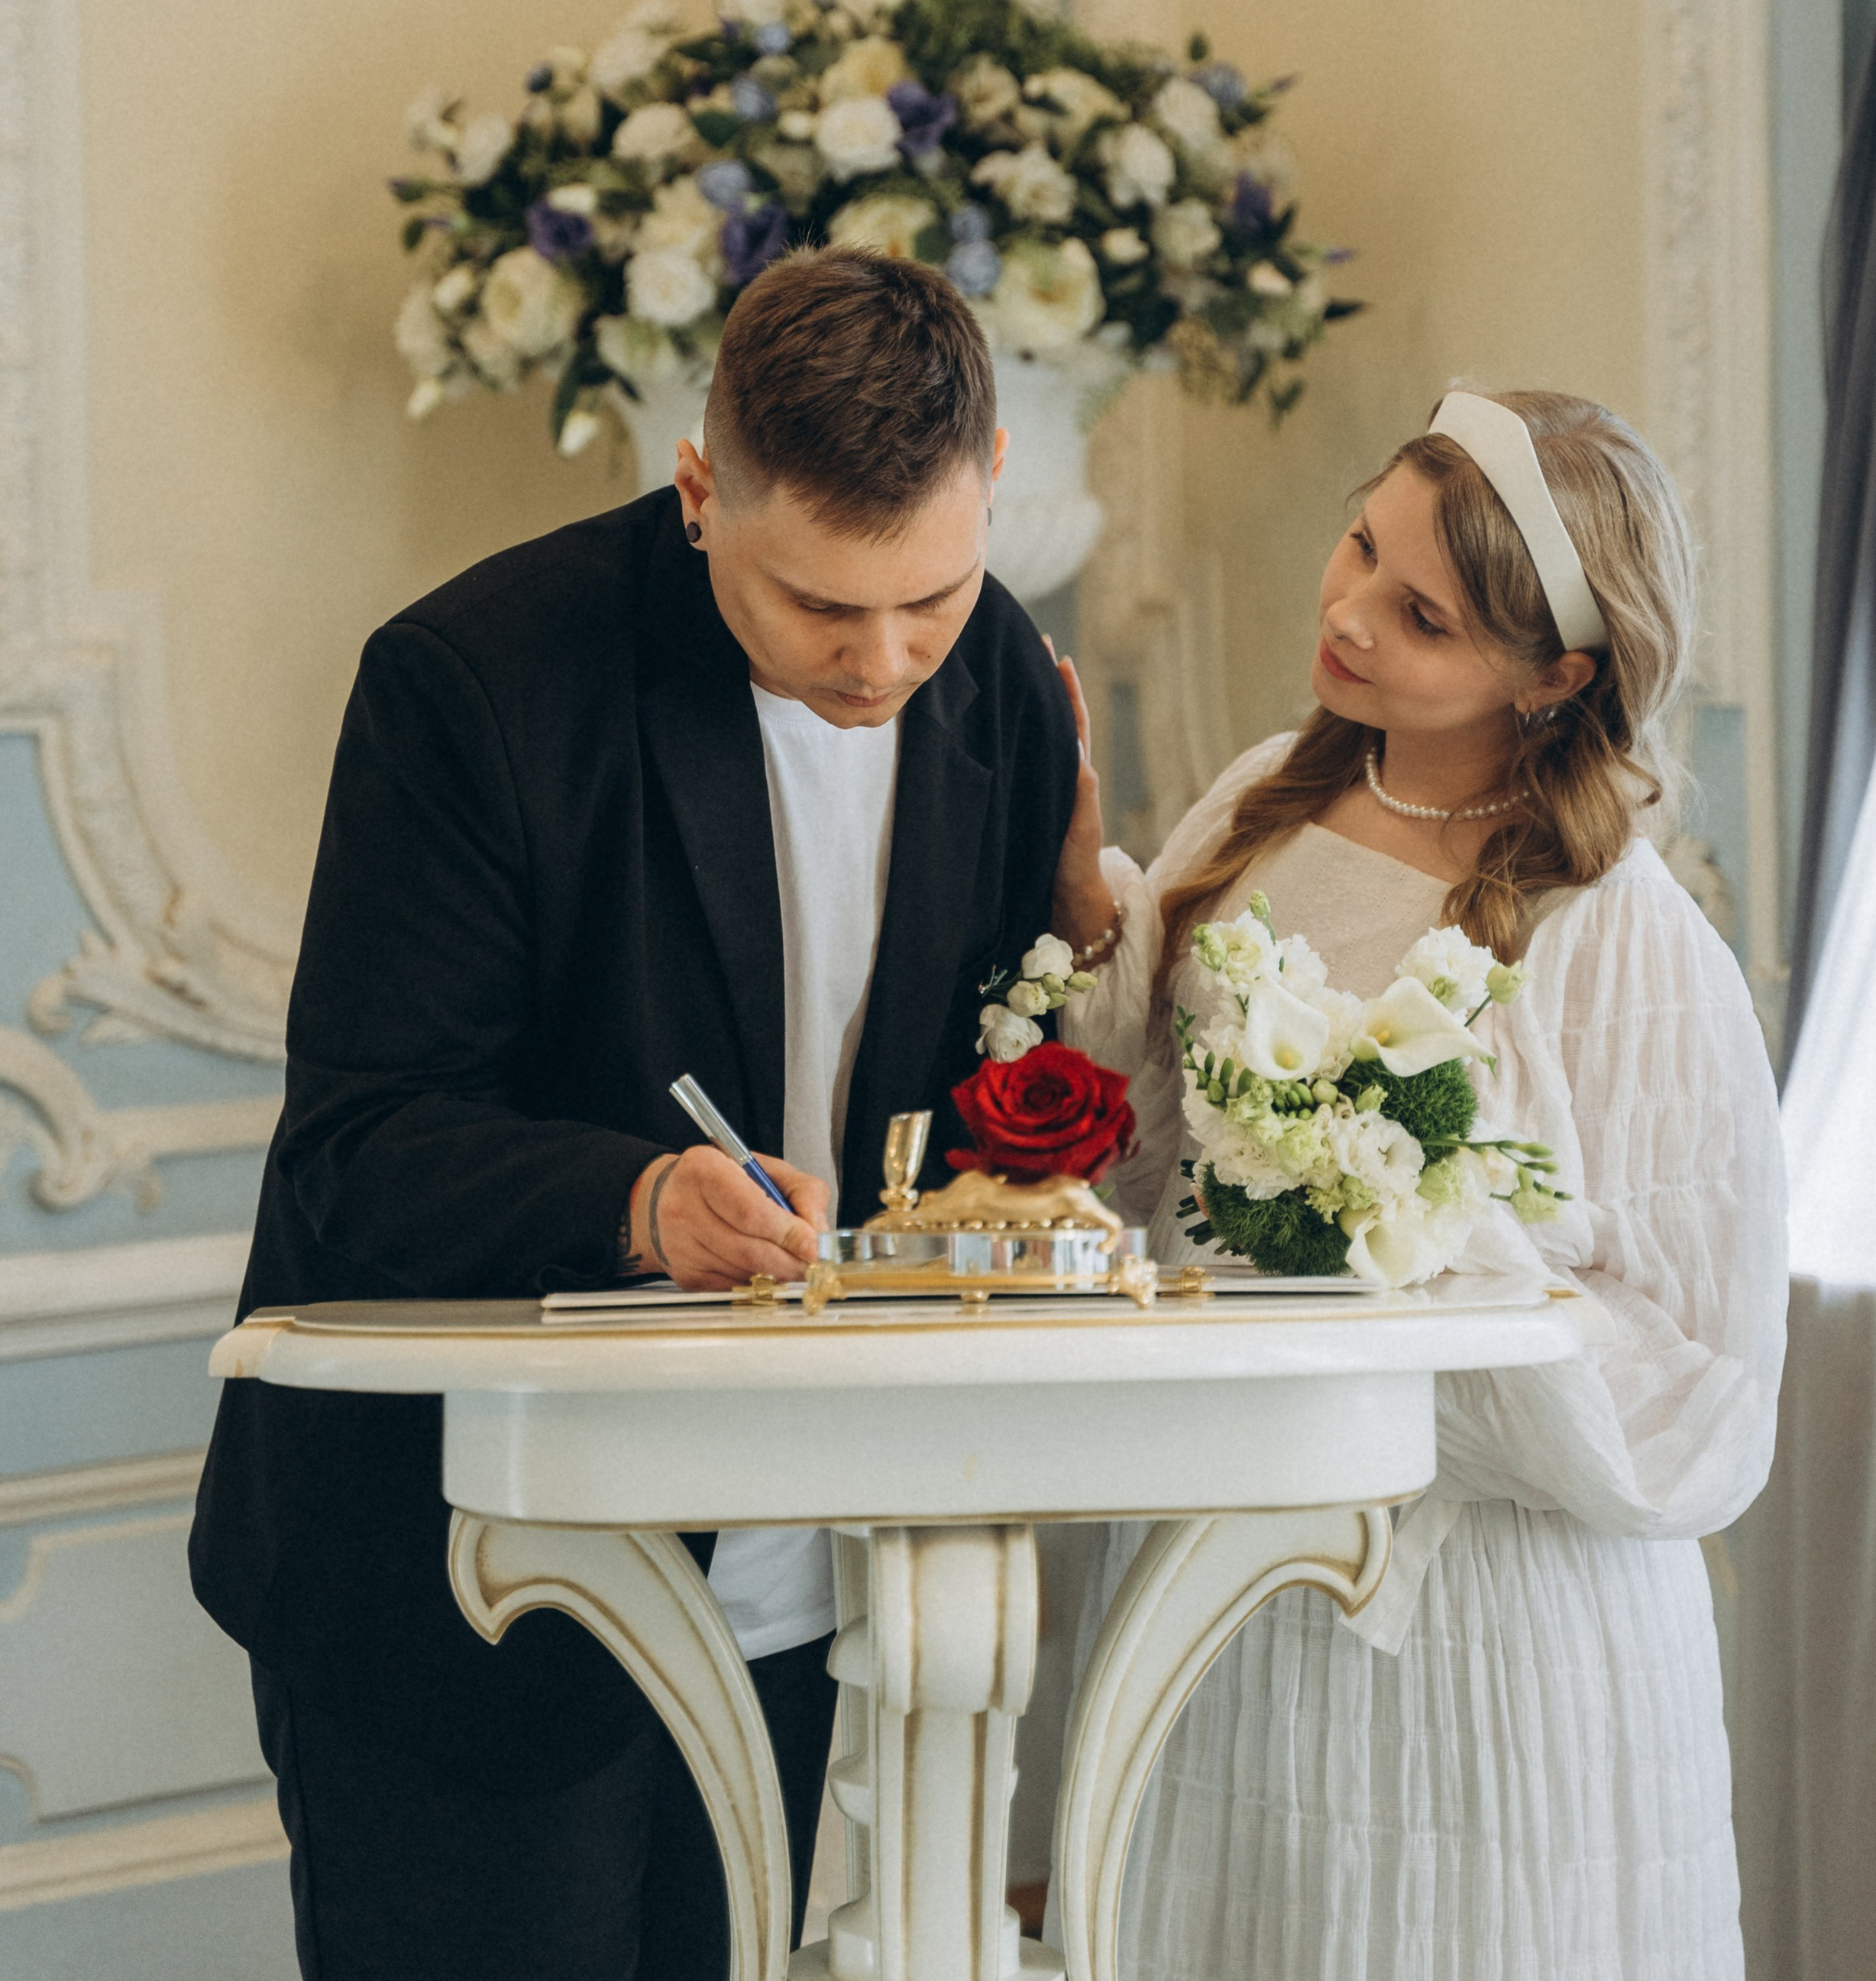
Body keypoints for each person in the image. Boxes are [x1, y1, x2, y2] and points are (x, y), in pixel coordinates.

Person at [190, 248, 1079, 1981]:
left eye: (933, 595)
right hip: (468, 1594)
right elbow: (357, 1147)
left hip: (800, 1574)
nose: (885, 659)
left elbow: (971, 1087)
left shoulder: (1001, 691)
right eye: (821, 608)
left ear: (988, 493)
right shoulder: (473, 685)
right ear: (696, 491)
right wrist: (639, 1203)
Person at [1046, 388, 1788, 1981]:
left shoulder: (1615, 928)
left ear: (1553, 678)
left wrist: (1407, 1285)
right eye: (1360, 542)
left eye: (1420, 615)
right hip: (1227, 1584)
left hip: (1488, 1631)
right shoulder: (1264, 803)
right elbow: (1134, 1164)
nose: (1347, 613)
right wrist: (1084, 906)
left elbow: (1696, 1369)